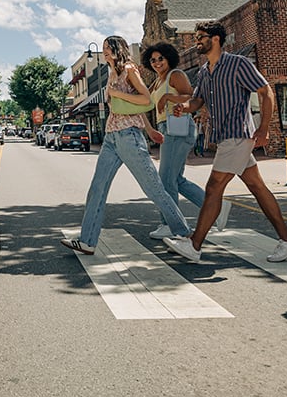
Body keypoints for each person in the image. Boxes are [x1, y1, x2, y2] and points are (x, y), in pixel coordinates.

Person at [170, 21, 287, 264]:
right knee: (258, 188)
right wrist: (184, 107)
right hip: (224, 137)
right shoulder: (204, 71)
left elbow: (265, 92)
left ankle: (194, 244)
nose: (197, 41)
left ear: (216, 39)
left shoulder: (237, 64)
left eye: (200, 37)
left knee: (213, 187)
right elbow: (198, 100)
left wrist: (264, 127)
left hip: (238, 134)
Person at [62, 36, 197, 260]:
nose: (104, 52)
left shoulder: (129, 69)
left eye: (107, 48)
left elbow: (146, 100)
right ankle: (87, 241)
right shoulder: (111, 72)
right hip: (111, 137)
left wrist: (117, 95)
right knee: (98, 187)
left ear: (118, 49)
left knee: (153, 188)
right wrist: (150, 129)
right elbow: (131, 107)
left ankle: (184, 233)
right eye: (103, 49)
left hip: (129, 137)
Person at [143, 41, 227, 239]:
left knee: (165, 180)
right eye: (153, 60)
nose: (156, 63)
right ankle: (218, 209)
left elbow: (192, 96)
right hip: (167, 129)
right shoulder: (156, 81)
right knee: (177, 180)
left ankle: (170, 225)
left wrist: (169, 99)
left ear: (168, 57)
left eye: (160, 58)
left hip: (178, 127)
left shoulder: (176, 75)